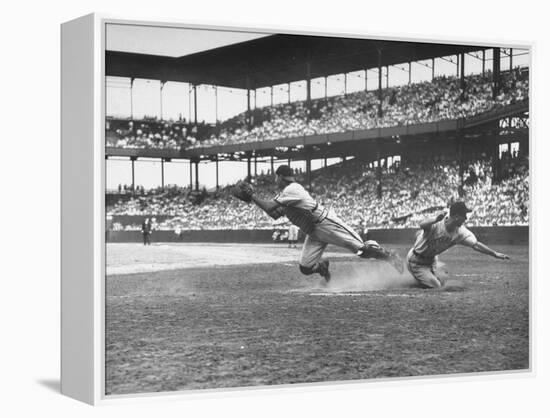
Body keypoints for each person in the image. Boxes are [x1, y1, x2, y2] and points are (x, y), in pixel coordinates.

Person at [233, 165, 403, 284]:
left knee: (362, 250)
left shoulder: (293, 188)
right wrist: (253, 199)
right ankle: (322, 268)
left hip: (326, 223)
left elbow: (270, 207)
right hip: (313, 232)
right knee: (306, 268)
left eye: (276, 177)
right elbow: (274, 214)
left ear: (280, 177)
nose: (275, 180)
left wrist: (253, 196)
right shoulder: (287, 193)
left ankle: (389, 255)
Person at [406, 201, 510, 289]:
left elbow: (476, 245)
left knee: (443, 280)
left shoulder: (461, 232)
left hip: (432, 260)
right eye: (464, 215)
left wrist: (494, 253)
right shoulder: (438, 222)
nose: (465, 218)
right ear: (456, 217)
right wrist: (435, 219)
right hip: (416, 261)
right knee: (436, 286)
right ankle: (415, 277)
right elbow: (422, 224)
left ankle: (427, 275)